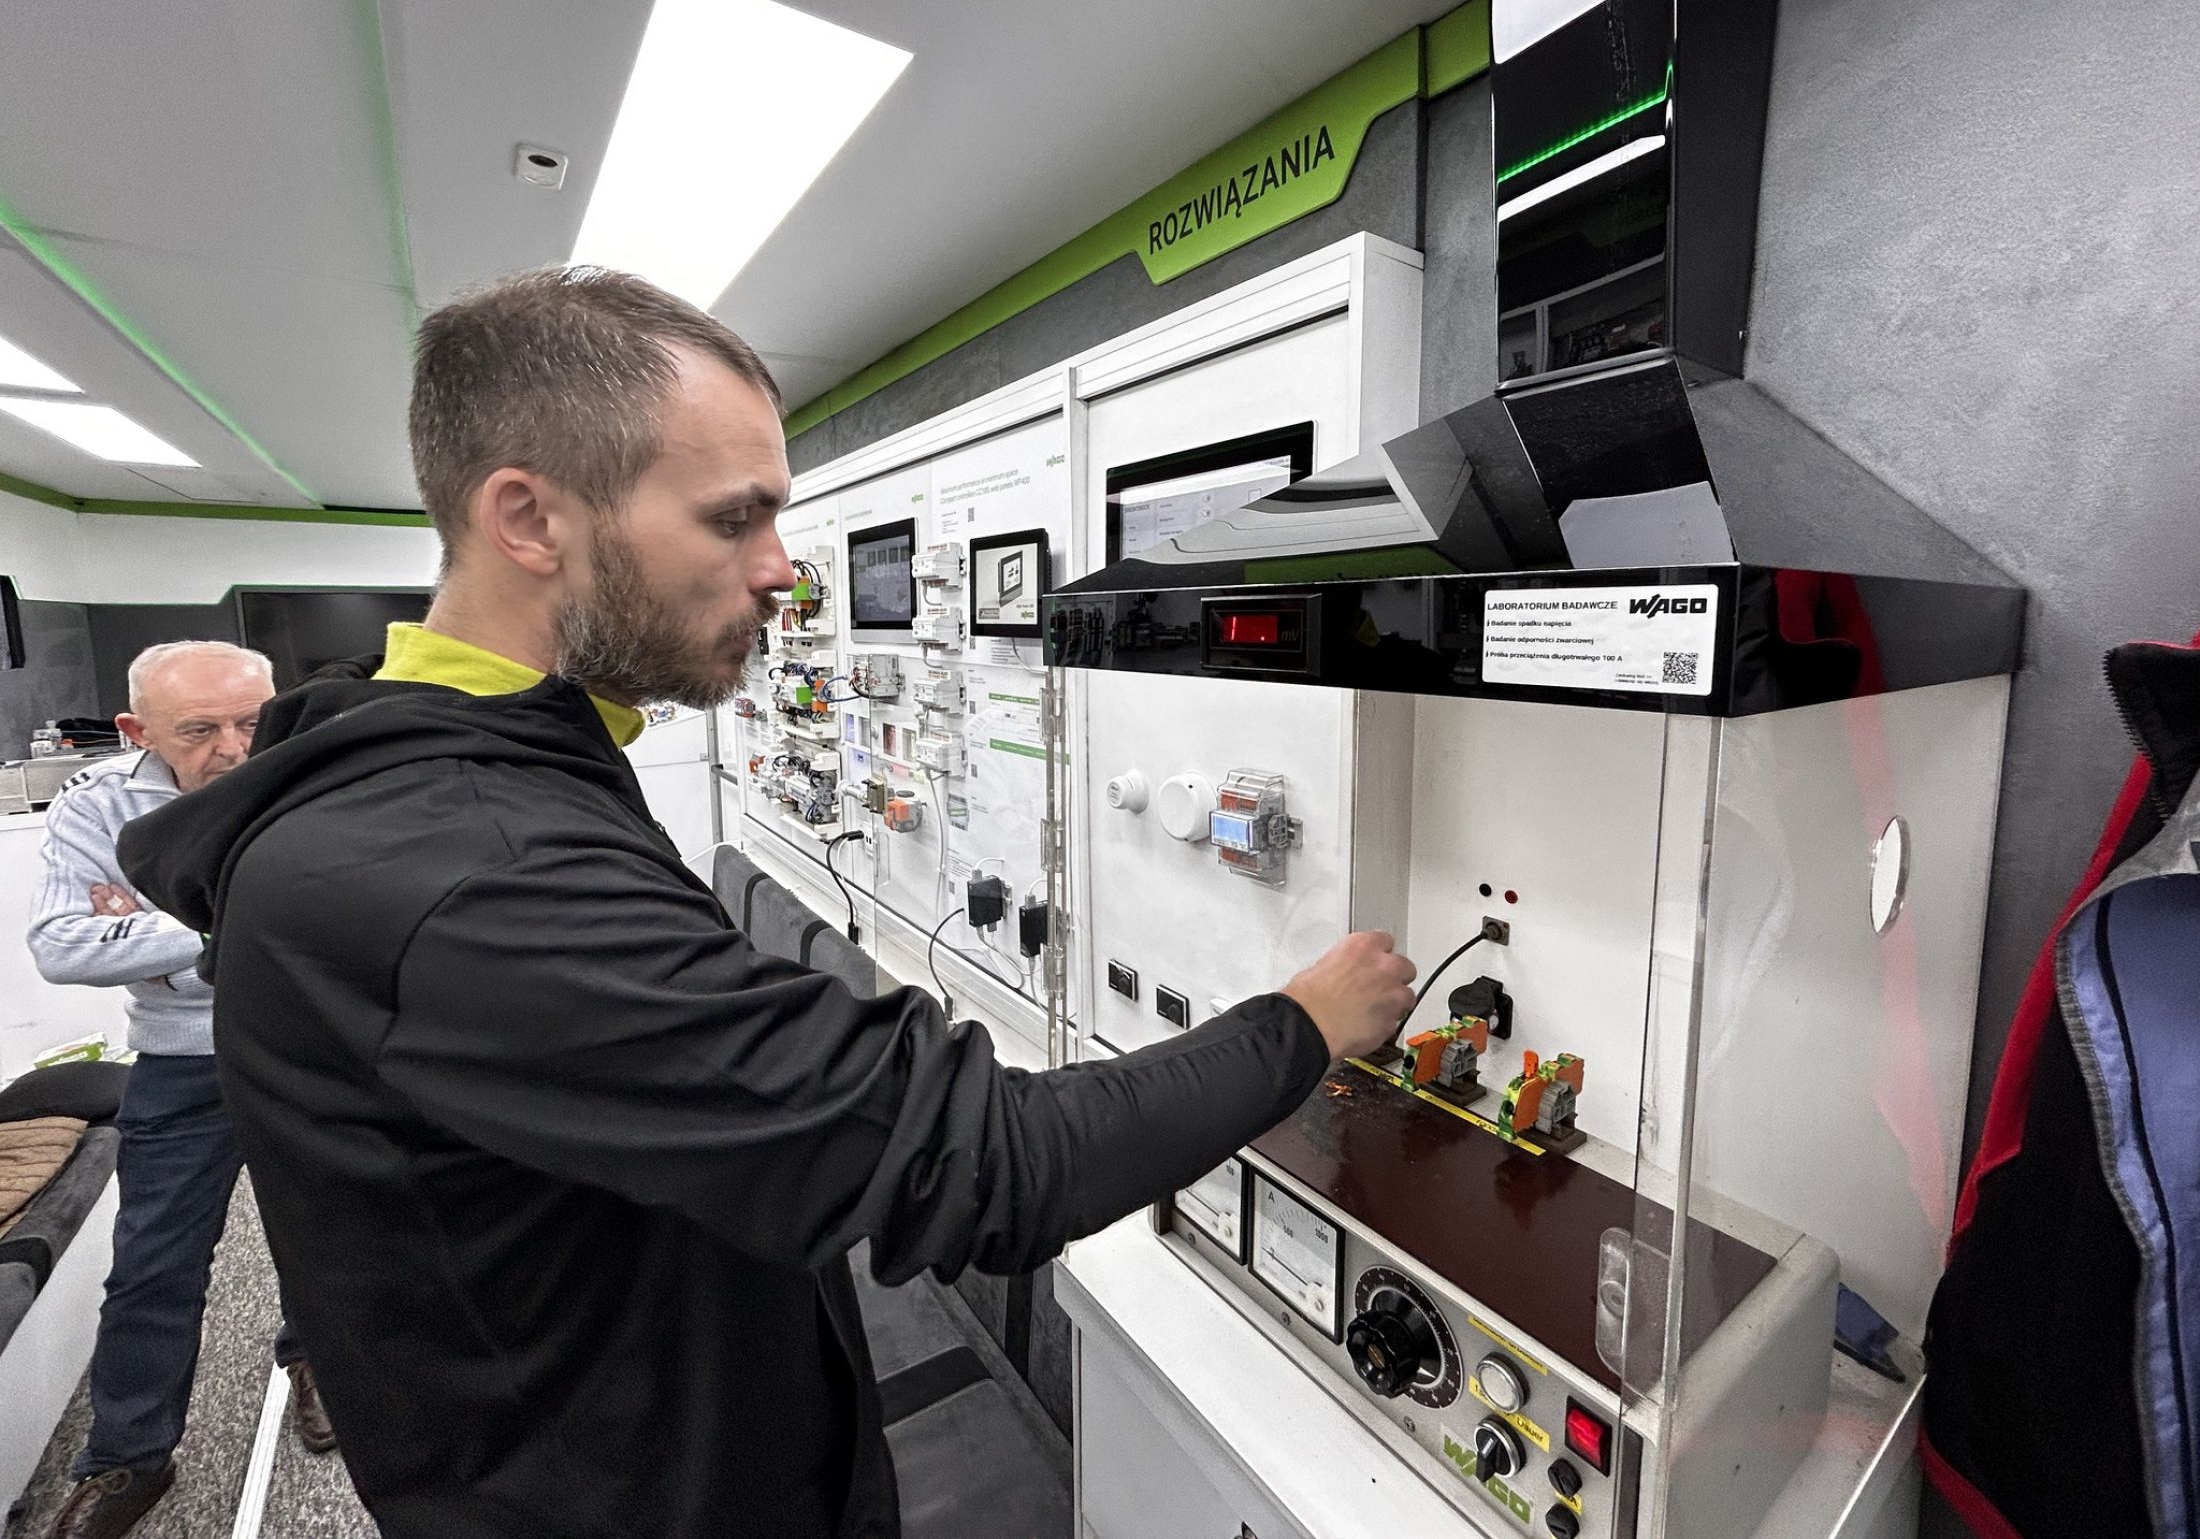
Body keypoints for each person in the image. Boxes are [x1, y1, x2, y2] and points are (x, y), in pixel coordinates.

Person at [117, 267, 1418, 1539]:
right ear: (530, 519)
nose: (781, 570)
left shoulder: (469, 760)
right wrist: (1306, 1019)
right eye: (734, 518)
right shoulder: (465, 870)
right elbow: (993, 1164)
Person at [28, 641, 335, 1539]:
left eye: (251, 722)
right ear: (137, 730)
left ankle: (319, 1366)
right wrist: (230, 921)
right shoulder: (98, 805)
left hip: (310, 1047)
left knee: (325, 1238)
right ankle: (126, 1458)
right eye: (200, 731)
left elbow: (356, 913)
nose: (234, 749)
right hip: (180, 1060)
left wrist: (153, 926)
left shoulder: (313, 775)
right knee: (152, 1265)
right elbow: (61, 945)